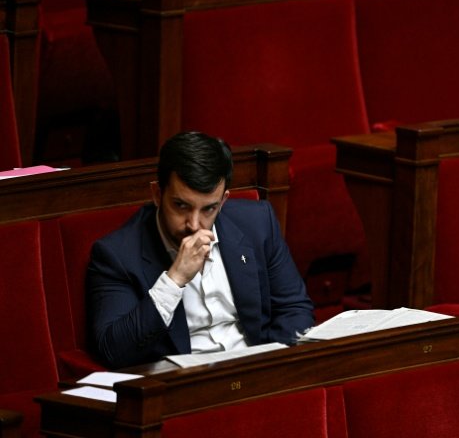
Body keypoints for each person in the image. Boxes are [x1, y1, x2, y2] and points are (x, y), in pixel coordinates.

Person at [87, 131, 314, 368]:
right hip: (183, 387)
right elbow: (113, 351)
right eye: (181, 205)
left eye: (208, 209)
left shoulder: (257, 222)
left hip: (254, 372)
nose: (194, 224)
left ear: (223, 201)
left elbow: (294, 308)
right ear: (157, 194)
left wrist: (273, 368)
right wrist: (174, 281)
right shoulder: (117, 254)